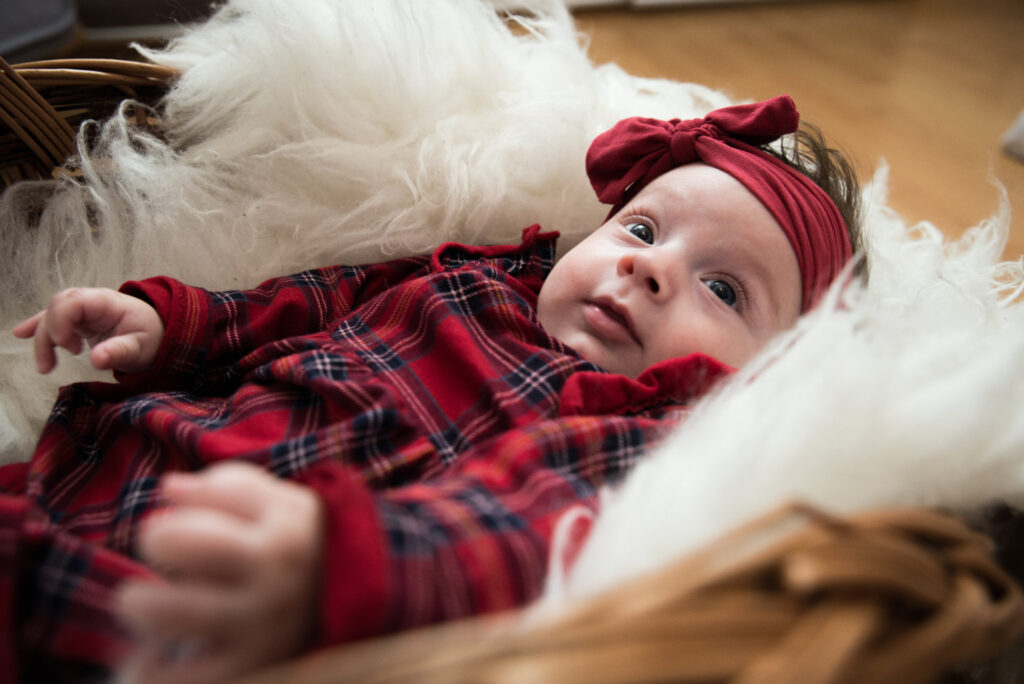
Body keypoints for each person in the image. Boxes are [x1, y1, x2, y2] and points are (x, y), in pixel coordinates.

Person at [2, 95, 861, 683]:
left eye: (724, 289)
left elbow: (522, 530)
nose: (651, 268)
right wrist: (172, 323)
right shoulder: (486, 277)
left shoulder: (643, 427)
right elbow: (318, 298)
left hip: (218, 598)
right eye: (641, 228)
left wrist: (340, 567)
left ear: (773, 371)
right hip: (108, 462)